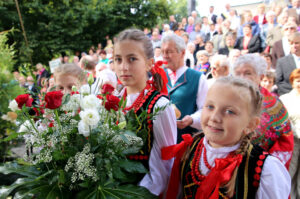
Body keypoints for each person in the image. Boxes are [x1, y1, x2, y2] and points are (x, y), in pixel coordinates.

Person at [162, 76, 291, 199]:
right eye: (210, 107)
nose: (214, 117)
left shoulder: (264, 169)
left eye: (229, 111)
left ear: (250, 124)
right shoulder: (188, 150)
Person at [113, 29, 177, 196]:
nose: (124, 67)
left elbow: (165, 166)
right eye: (118, 59)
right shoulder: (113, 102)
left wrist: (136, 194)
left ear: (149, 63)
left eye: (132, 59)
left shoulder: (160, 106)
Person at [233, 54, 294, 169]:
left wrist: (267, 166)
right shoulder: (224, 98)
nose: (241, 78)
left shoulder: (275, 106)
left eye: (248, 73)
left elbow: (285, 140)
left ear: (260, 77)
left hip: (259, 169)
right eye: (238, 73)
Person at [161, 33, 208, 143]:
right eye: (163, 52)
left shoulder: (199, 78)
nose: (164, 55)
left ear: (182, 53)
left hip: (185, 142)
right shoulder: (157, 77)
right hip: (159, 141)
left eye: (169, 51)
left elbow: (205, 109)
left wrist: (192, 119)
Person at [280, 68, 300, 199]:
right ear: (292, 82)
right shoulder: (285, 99)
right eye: (298, 81)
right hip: (292, 142)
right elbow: (283, 121)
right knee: (289, 173)